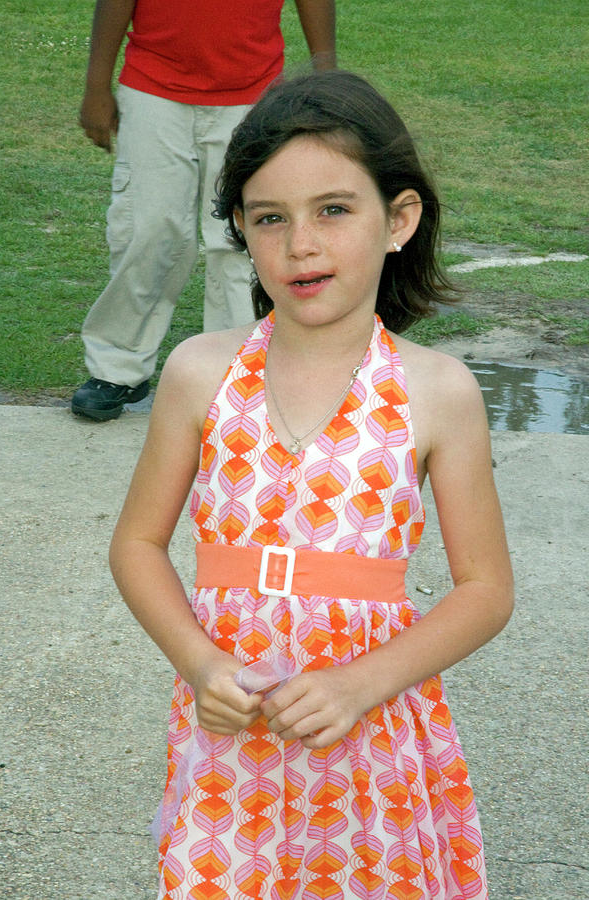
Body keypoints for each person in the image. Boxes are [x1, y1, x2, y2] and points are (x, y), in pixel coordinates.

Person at [109, 71, 514, 899]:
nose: (301, 244)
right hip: (233, 735)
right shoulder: (200, 373)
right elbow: (138, 544)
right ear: (241, 233)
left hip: (370, 729)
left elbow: (486, 589)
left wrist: (359, 684)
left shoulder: (437, 391)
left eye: (334, 209)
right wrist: (199, 664)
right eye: (270, 218)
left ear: (399, 219)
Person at [71, 0, 336, 422]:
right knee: (148, 229)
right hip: (152, 87)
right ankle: (117, 368)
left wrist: (326, 76)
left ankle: (235, 372)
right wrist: (95, 86)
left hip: (253, 93)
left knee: (239, 240)